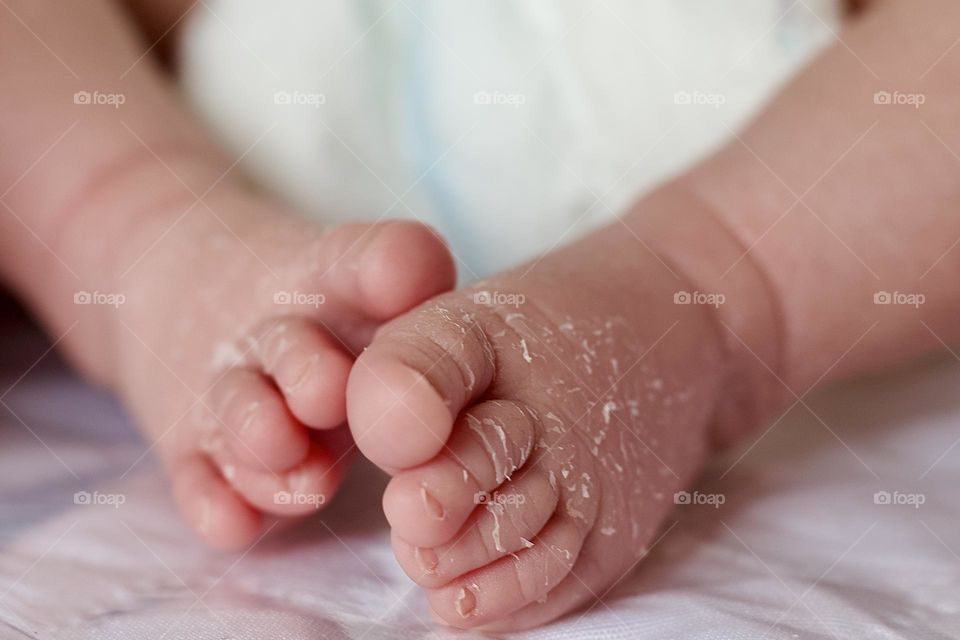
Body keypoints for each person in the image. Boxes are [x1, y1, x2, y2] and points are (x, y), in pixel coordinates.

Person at [1, 0, 956, 631]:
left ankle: (718, 285)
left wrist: (718, 278)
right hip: (254, 82)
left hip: (792, 126)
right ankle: (141, 225)